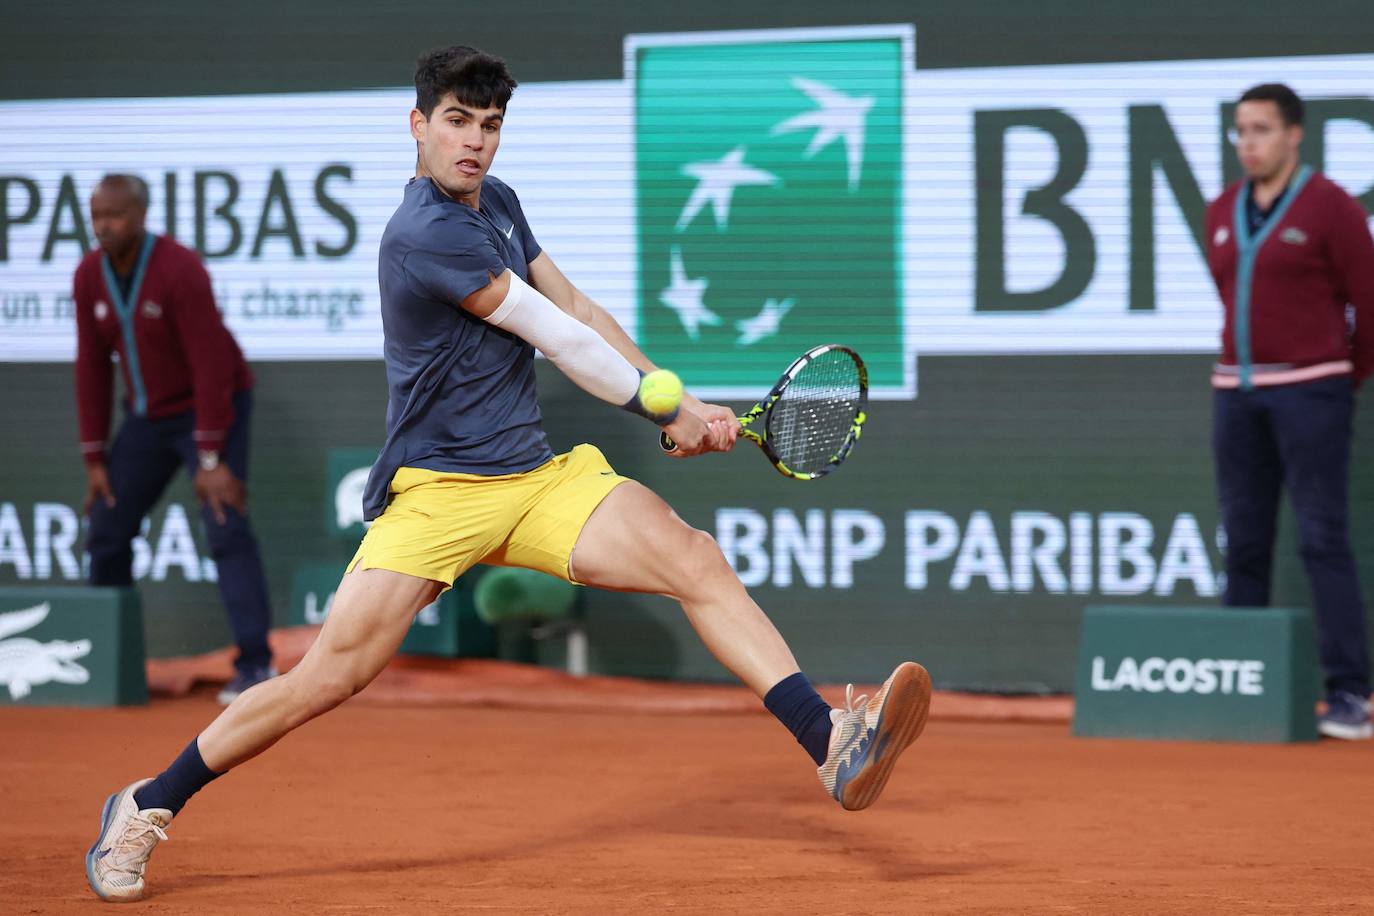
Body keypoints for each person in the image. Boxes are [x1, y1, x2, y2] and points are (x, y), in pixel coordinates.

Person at [83, 47, 931, 902]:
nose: (475, 144)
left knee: (696, 560)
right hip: (438, 492)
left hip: (535, 481)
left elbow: (582, 311)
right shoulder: (424, 233)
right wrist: (656, 408)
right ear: (418, 126)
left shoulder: (499, 204)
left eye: (490, 127)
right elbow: (556, 340)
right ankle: (146, 805)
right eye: (457, 122)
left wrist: (684, 400)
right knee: (324, 679)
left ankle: (829, 742)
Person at [1205, 83, 1374, 740]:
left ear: (1294, 134)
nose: (1249, 142)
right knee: (1243, 540)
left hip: (1313, 391)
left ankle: (1351, 692)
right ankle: (1240, 686)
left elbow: (1368, 300)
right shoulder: (1220, 208)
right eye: (1241, 131)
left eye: (1262, 130)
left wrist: (1339, 375)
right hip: (1234, 393)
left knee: (1321, 538)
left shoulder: (1331, 207)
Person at [74, 174, 276, 705]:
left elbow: (212, 365)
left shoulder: (179, 269)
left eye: (114, 215)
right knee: (107, 529)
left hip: (211, 407)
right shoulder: (88, 275)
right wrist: (95, 455)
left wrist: (211, 454)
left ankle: (256, 666)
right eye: (96, 215)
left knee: (225, 523)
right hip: (145, 418)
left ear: (140, 216)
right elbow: (92, 366)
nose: (104, 226)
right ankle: (105, 661)